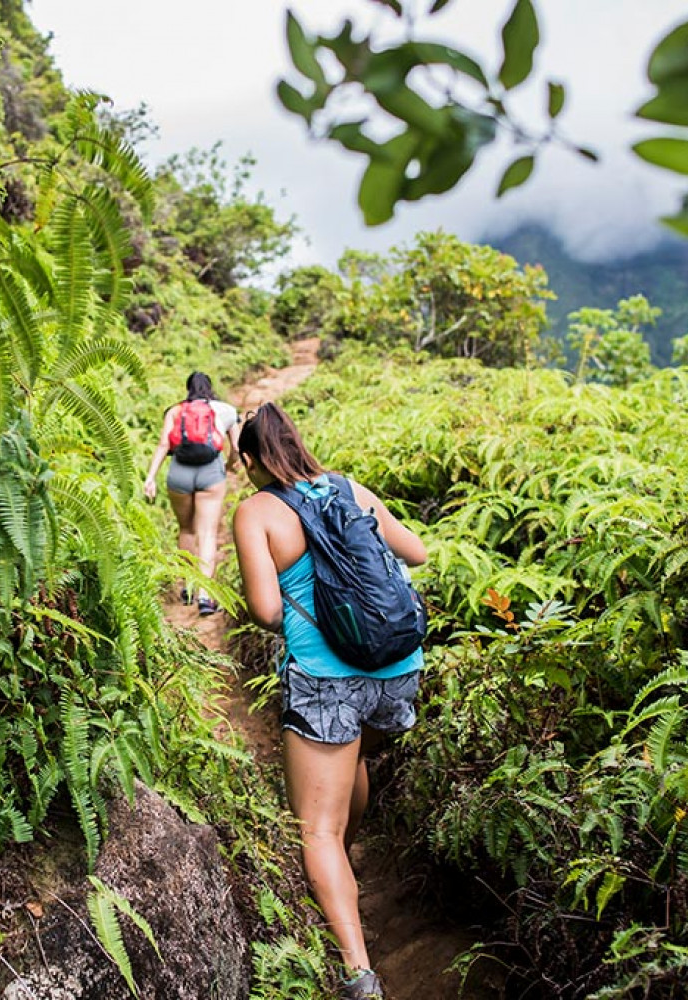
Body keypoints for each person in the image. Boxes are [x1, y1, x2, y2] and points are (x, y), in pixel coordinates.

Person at [231, 402, 427, 1000]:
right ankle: (346, 857)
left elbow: (266, 612)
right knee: (353, 762)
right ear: (297, 442)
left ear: (247, 460)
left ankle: (358, 976)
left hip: (325, 679)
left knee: (315, 829)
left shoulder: (256, 512)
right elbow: (415, 552)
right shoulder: (348, 487)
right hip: (396, 666)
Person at [143, 372, 241, 615]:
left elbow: (164, 445)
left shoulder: (175, 411)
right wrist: (227, 468)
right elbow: (236, 449)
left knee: (186, 529)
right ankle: (206, 597)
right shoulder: (226, 410)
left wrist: (150, 477)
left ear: (188, 389)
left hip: (179, 473)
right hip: (211, 473)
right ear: (210, 388)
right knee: (207, 534)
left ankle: (187, 586)